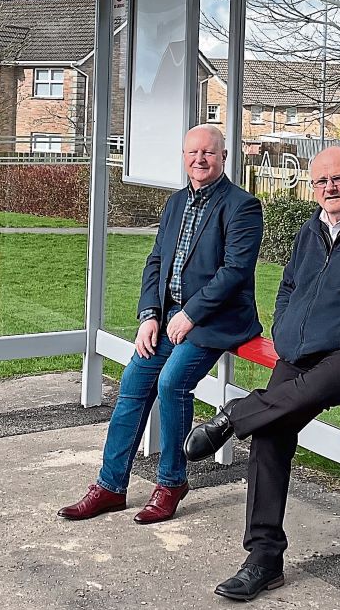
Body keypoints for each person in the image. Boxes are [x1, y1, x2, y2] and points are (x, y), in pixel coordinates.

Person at [184, 144, 340, 600]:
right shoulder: (309, 231)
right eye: (320, 181)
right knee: (271, 432)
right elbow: (289, 285)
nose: (329, 188)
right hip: (303, 352)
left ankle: (235, 414)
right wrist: (286, 326)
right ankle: (263, 559)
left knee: (265, 414)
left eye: (339, 178)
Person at [59, 124, 263, 525]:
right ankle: (110, 485)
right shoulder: (174, 204)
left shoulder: (242, 206)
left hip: (213, 321)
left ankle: (171, 482)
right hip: (168, 319)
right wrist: (149, 314)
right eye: (192, 152)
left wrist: (191, 314)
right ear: (184, 157)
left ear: (224, 157)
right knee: (133, 385)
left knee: (171, 384)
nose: (199, 159)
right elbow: (156, 262)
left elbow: (236, 271)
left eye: (208, 152)